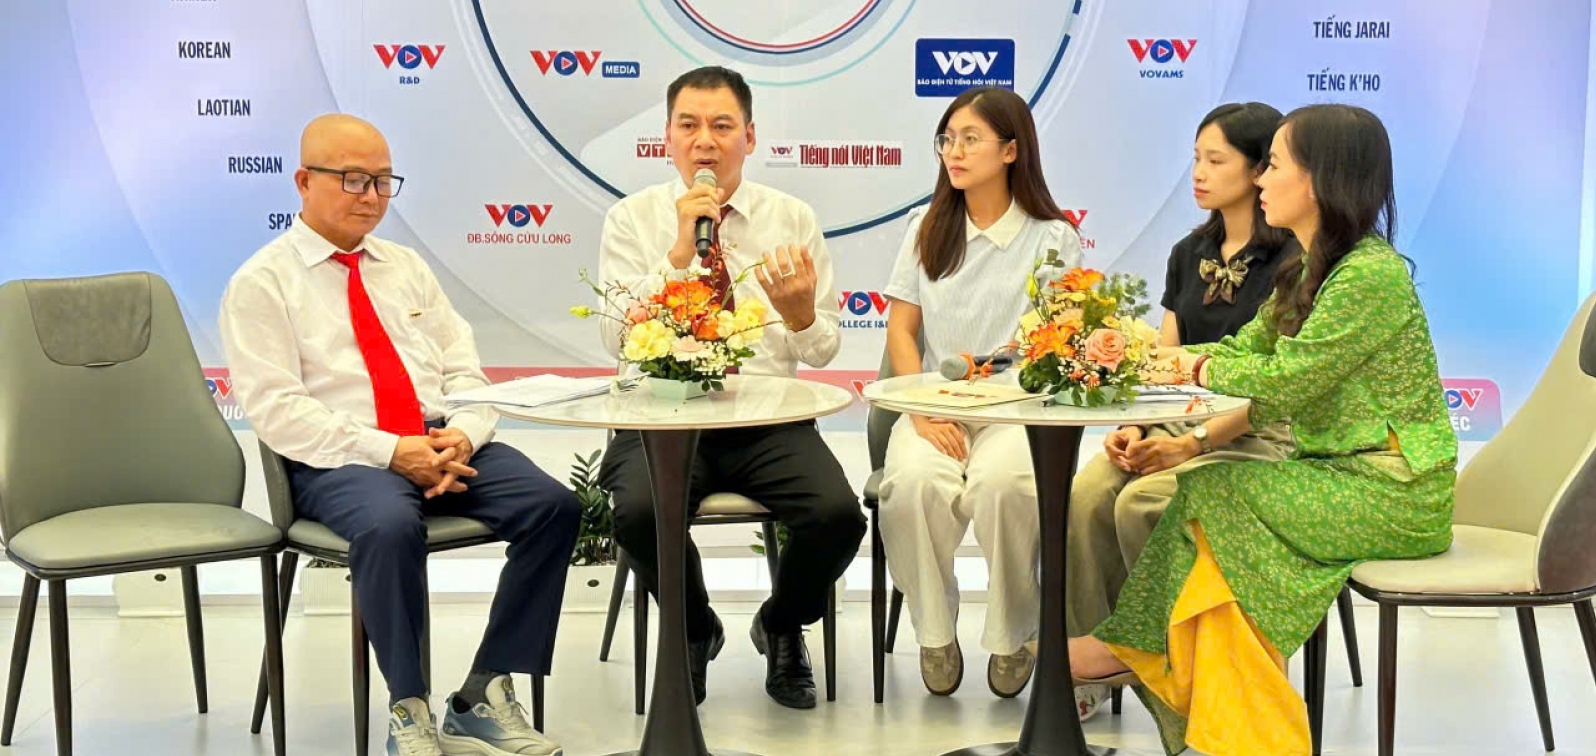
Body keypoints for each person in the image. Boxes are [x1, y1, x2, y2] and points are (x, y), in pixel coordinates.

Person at [1066, 104, 1457, 756]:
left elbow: (1284, 380)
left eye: (1274, 165)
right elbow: (1247, 351)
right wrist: (1155, 371)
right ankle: (1225, 722)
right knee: (1227, 556)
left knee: (1212, 497)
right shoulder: (1310, 268)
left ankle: (1138, 647)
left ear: (1321, 179)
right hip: (1332, 476)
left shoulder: (1371, 276)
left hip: (1396, 491)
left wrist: (1191, 364)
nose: (1262, 179)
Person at [222, 114, 578, 756]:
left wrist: (463, 435)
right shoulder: (262, 282)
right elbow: (277, 411)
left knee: (552, 506)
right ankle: (408, 709)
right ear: (303, 181)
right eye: (353, 180)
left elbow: (465, 372)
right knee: (389, 526)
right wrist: (390, 451)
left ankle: (481, 693)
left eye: (384, 181)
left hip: (438, 440)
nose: (371, 196)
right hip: (341, 459)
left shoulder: (406, 266)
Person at [595, 66, 868, 710]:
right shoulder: (631, 219)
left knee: (836, 516)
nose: (705, 141)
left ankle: (781, 623)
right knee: (637, 513)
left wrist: (800, 317)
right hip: (661, 417)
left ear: (749, 137)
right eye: (689, 125)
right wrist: (678, 255)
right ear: (667, 137)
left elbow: (822, 347)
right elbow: (614, 339)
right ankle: (695, 628)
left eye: (722, 126)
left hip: (765, 418)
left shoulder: (791, 218)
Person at [1066, 102, 1299, 720]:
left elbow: (1275, 387)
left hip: (1252, 427)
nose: (1198, 172)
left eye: (1215, 160)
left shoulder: (1293, 262)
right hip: (1175, 418)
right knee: (1088, 493)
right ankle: (1094, 667)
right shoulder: (1188, 250)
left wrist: (1190, 443)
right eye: (1196, 157)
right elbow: (1164, 355)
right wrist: (1133, 426)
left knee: (1142, 503)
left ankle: (1177, 665)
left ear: (1259, 169)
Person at [877, 87, 1081, 699]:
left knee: (1006, 485)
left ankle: (1012, 633)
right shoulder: (925, 228)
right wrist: (919, 411)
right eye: (947, 139)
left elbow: (1057, 340)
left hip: (1016, 411)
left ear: (1011, 150)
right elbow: (901, 331)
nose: (954, 152)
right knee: (912, 485)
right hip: (933, 407)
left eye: (970, 139)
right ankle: (934, 632)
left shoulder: (1051, 237)